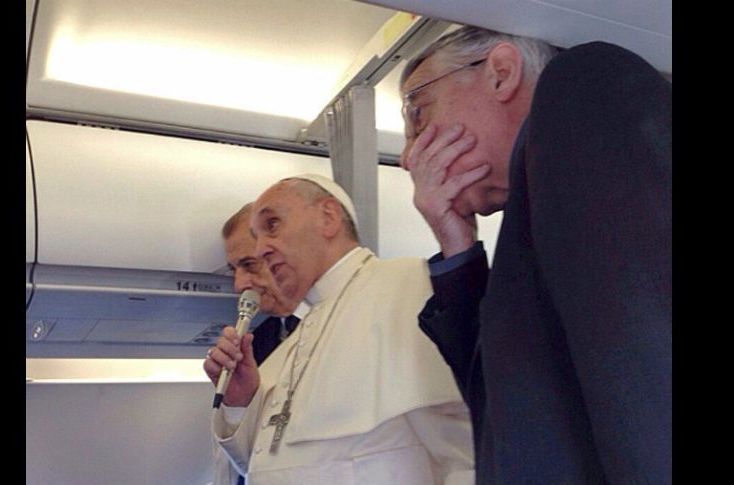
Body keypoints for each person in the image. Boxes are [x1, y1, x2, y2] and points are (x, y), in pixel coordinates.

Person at [398, 25, 671, 483]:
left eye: (418, 113)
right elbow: (506, 414)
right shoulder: (534, 215)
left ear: (502, 73)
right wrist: (457, 244)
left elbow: (649, 375)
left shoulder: (586, 87)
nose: (408, 155)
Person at [210, 173, 475, 484]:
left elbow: (463, 448)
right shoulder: (297, 339)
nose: (261, 250)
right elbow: (258, 464)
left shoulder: (404, 285)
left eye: (272, 225)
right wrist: (242, 401)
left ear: (328, 217)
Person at [204, 203, 307, 485]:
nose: (239, 284)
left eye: (249, 265)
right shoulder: (258, 340)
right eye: (233, 270)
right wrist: (239, 404)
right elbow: (254, 455)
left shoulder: (336, 325)